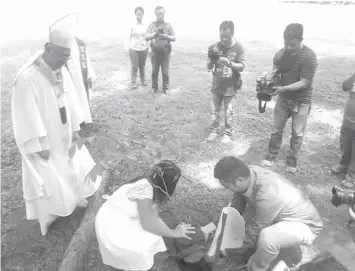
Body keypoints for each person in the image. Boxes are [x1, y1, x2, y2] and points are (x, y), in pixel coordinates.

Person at [11, 27, 101, 236]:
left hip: (64, 133)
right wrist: (38, 144)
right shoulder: (26, 78)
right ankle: (53, 216)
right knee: (50, 179)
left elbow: (69, 99)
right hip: (45, 140)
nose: (65, 61)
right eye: (62, 56)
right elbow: (26, 115)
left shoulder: (59, 68)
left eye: (68, 56)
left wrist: (75, 128)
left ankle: (72, 203)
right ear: (47, 49)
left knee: (71, 168)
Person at [214, 156, 323, 271]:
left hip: (303, 225)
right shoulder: (249, 173)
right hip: (277, 212)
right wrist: (229, 221)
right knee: (233, 211)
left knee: (268, 238)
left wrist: (227, 250)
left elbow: (254, 232)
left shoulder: (267, 194)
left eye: (226, 186)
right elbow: (238, 198)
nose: (226, 188)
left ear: (239, 180)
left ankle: (254, 268)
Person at [95, 160, 195, 271]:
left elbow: (154, 217)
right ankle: (130, 262)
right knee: (150, 239)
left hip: (113, 216)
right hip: (111, 227)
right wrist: (174, 233)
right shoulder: (145, 191)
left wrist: (169, 231)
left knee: (156, 229)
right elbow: (148, 224)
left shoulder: (149, 182)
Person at [261, 23, 318, 173]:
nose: (289, 47)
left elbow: (305, 82)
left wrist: (283, 88)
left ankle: (292, 160)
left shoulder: (309, 56)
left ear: (301, 39)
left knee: (297, 133)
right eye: (286, 43)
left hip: (302, 101)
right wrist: (270, 78)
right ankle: (271, 155)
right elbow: (277, 72)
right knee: (276, 130)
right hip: (284, 99)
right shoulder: (281, 54)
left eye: (292, 44)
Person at [206, 21, 245, 144]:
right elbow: (208, 66)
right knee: (215, 110)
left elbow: (242, 66)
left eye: (226, 36)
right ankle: (214, 130)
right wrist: (211, 60)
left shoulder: (238, 48)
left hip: (230, 85)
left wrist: (230, 63)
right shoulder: (215, 47)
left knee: (228, 110)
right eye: (221, 35)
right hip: (217, 84)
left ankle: (228, 132)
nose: (223, 38)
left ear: (232, 34)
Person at [330, 72, 355, 188]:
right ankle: (344, 165)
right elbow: (345, 87)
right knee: (346, 142)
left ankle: (352, 176)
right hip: (349, 116)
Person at [66, 35, 96, 125]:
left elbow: (86, 59)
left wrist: (89, 76)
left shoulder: (80, 43)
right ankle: (74, 121)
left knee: (82, 96)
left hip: (80, 74)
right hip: (67, 75)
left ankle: (84, 119)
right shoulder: (60, 42)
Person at [145, 6, 176, 94]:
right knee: (154, 71)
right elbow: (146, 37)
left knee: (165, 72)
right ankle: (154, 88)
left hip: (165, 52)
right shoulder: (151, 25)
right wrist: (155, 33)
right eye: (158, 14)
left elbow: (174, 37)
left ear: (164, 14)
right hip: (154, 52)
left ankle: (165, 89)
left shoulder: (168, 25)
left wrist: (166, 36)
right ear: (155, 14)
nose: (160, 16)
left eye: (162, 14)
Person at [124, 6, 149, 90]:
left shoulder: (145, 25)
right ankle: (133, 82)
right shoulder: (132, 25)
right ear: (135, 15)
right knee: (134, 66)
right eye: (137, 14)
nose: (139, 16)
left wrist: (148, 47)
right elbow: (128, 37)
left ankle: (143, 81)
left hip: (143, 48)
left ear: (143, 15)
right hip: (133, 48)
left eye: (141, 14)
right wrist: (127, 47)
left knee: (142, 65)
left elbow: (147, 37)